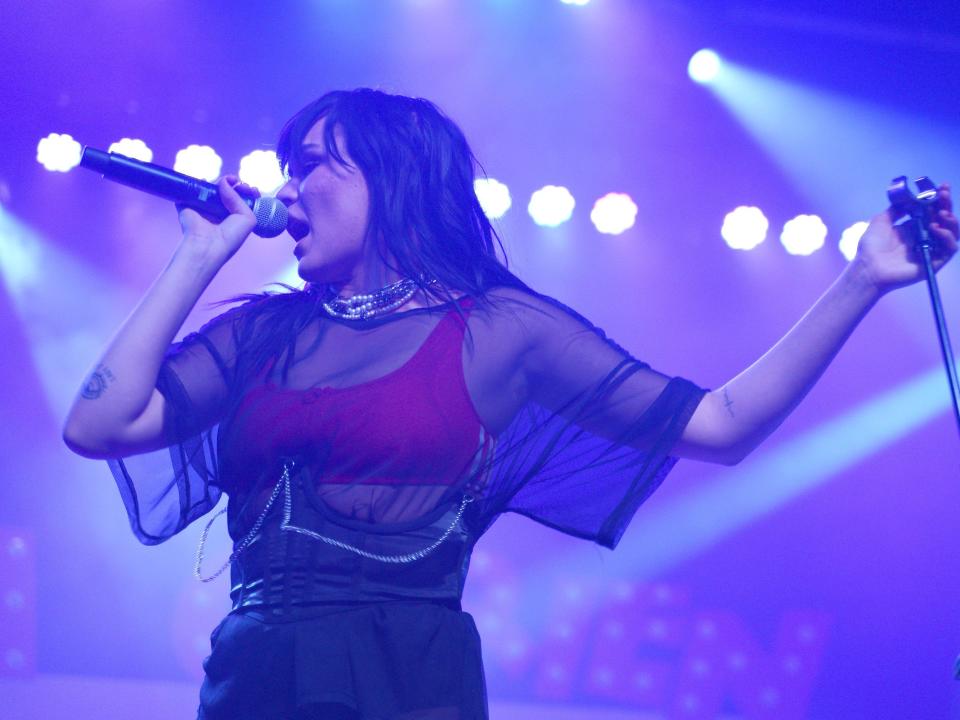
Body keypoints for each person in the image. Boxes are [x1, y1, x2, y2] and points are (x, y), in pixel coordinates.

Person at [62, 88, 957, 720]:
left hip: (406, 677)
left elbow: (717, 425)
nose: (287, 190)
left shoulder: (497, 330)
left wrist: (860, 280)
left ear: (391, 179)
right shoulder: (264, 331)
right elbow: (96, 426)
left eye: (312, 167)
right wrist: (195, 258)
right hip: (253, 674)